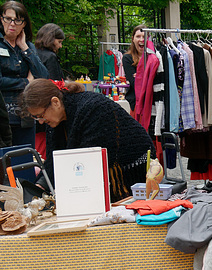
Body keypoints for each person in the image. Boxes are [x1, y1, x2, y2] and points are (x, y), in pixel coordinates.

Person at [20, 79, 156, 201]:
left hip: (132, 165)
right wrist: (41, 186)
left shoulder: (92, 108)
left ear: (55, 102)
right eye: (37, 118)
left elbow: (85, 162)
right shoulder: (55, 121)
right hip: (102, 166)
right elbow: (53, 161)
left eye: (41, 116)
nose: (41, 121)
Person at [0, 1, 47, 148]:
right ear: (1, 19)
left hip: (25, 117)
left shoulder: (28, 46)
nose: (12, 24)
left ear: (24, 24)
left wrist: (25, 48)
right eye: (8, 19)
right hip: (2, 118)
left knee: (24, 164)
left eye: (18, 20)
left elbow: (43, 76)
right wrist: (27, 83)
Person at [34, 23, 65, 158]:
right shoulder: (50, 57)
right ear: (51, 39)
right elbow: (55, 86)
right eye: (59, 42)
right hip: (47, 110)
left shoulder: (33, 54)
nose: (60, 46)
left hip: (34, 108)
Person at [122, 24, 146, 113]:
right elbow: (134, 83)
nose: (141, 39)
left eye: (144, 36)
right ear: (133, 39)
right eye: (138, 36)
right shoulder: (127, 58)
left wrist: (140, 75)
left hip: (153, 102)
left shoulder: (154, 57)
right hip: (136, 104)